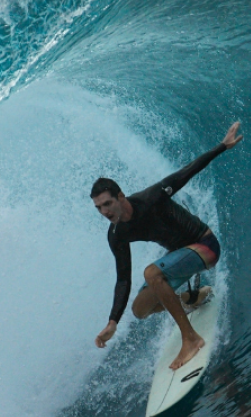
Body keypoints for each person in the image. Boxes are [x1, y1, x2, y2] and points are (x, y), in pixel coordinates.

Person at [92, 121, 242, 370]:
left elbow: (186, 172)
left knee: (152, 273)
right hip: (180, 255)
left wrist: (222, 147)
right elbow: (123, 279)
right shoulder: (116, 233)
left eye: (107, 204)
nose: (104, 212)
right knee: (140, 309)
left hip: (205, 246)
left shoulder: (151, 198)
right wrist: (112, 321)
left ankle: (191, 339)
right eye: (98, 208)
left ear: (120, 197)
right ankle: (193, 299)